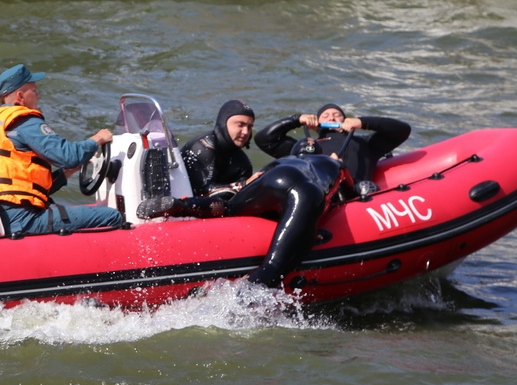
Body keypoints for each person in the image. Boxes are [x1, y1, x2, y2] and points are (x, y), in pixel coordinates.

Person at [138, 100, 346, 288]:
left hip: (260, 191)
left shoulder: (243, 160)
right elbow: (203, 190)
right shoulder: (203, 148)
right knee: (231, 213)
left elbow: (246, 199)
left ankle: (179, 204)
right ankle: (176, 205)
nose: (246, 131)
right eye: (240, 124)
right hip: (198, 207)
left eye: (249, 126)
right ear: (223, 123)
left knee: (229, 207)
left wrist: (242, 186)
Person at [0, 64, 125, 235]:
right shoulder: (24, 121)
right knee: (112, 217)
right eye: (34, 90)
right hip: (23, 218)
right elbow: (68, 156)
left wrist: (67, 173)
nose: (38, 95)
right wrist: (97, 139)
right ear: (20, 96)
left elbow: (17, 186)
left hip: (2, 216)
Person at [253, 103, 411, 196]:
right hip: (318, 195)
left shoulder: (365, 143)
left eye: (337, 115)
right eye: (325, 116)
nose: (331, 118)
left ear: (346, 120)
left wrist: (363, 122)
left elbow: (402, 131)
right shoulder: (306, 146)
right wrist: (296, 119)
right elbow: (264, 139)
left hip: (357, 194)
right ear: (315, 125)